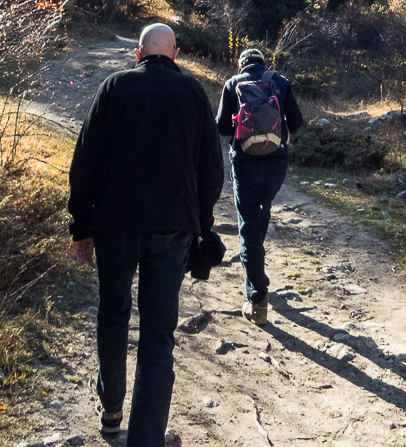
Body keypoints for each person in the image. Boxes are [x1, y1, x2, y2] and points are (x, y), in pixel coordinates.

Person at [68, 23, 224, 446]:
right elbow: (212, 171)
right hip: (172, 230)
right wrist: (202, 225)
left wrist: (81, 226)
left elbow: (84, 163)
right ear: (174, 53)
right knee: (158, 334)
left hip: (114, 226)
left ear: (138, 53)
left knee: (113, 313)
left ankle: (111, 410)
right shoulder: (192, 93)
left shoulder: (113, 87)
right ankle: (146, 438)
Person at [216, 46, 303, 325]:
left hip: (245, 164)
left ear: (241, 65)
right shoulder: (280, 81)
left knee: (249, 227)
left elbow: (222, 128)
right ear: (263, 63)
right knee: (261, 217)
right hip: (277, 163)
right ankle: (257, 270)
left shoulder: (233, 84)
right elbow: (298, 122)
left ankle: (257, 300)